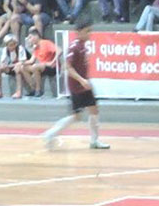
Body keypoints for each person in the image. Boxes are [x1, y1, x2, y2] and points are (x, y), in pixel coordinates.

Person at [42, 19, 110, 149]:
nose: (90, 34)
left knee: (94, 110)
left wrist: (86, 80)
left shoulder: (83, 45)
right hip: (77, 87)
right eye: (87, 31)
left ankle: (94, 141)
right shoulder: (74, 47)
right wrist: (82, 80)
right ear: (78, 33)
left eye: (90, 31)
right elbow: (68, 68)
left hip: (85, 86)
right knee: (76, 117)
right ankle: (50, 134)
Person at [22, 29, 58, 97]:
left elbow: (59, 50)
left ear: (36, 36)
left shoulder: (46, 42)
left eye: (30, 37)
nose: (29, 40)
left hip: (52, 67)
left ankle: (38, 90)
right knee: (23, 68)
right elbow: (31, 61)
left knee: (35, 66)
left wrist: (52, 62)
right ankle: (33, 88)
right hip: (42, 67)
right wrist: (21, 63)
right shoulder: (36, 47)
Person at [0, 34, 28, 99]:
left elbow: (22, 61)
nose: (11, 47)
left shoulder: (20, 48)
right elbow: (2, 61)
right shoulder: (5, 50)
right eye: (9, 45)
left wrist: (10, 66)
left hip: (21, 67)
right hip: (10, 66)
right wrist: (3, 65)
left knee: (17, 69)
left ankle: (18, 91)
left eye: (13, 45)